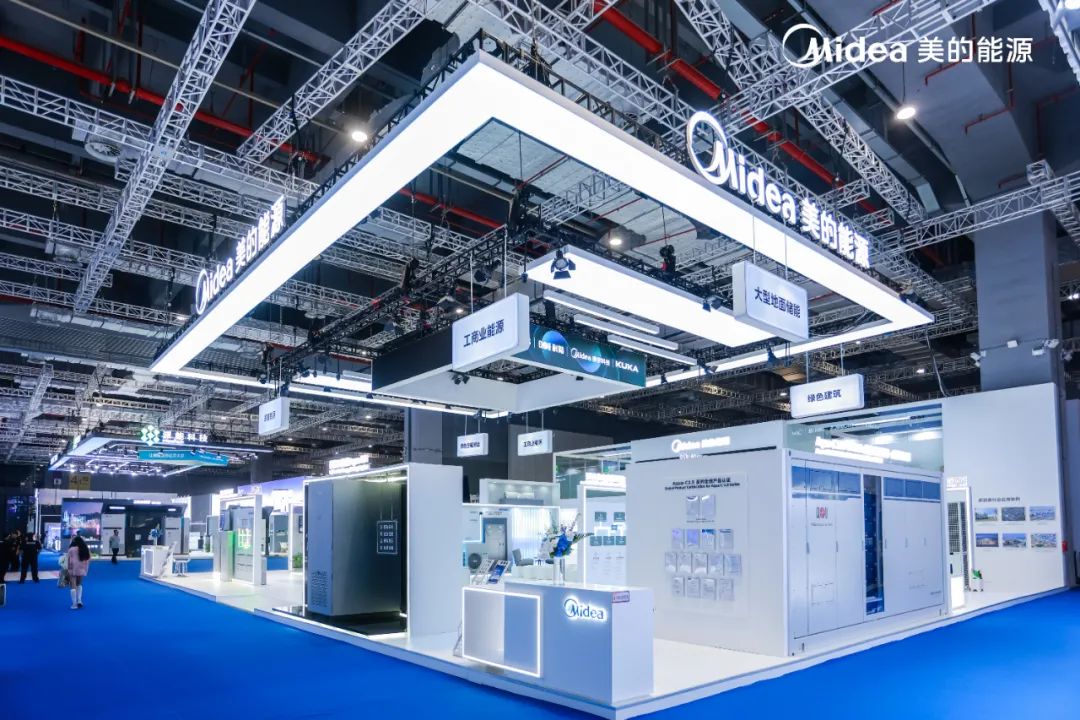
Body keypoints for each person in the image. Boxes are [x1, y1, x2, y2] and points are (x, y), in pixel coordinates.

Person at [67, 536, 91, 609]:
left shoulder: (71, 549)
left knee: (73, 586)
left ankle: (74, 604)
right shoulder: (85, 549)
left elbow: (68, 559)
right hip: (82, 569)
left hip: (73, 568)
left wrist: (68, 569)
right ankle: (79, 600)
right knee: (79, 584)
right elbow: (89, 559)